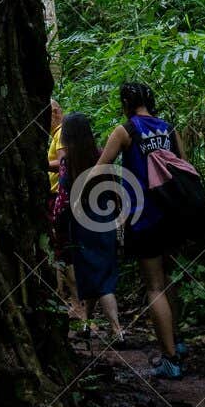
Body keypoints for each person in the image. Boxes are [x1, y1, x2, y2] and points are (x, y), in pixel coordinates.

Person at [97, 81, 187, 378]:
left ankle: (170, 359)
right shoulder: (168, 128)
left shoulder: (125, 131)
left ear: (126, 102)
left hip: (143, 216)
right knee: (169, 277)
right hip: (172, 215)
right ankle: (178, 340)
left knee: (154, 286)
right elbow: (183, 166)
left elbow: (100, 170)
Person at [59, 112, 125, 343]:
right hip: (104, 221)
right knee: (95, 274)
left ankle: (117, 330)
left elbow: (64, 193)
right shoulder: (101, 155)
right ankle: (87, 324)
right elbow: (116, 189)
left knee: (99, 280)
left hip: (81, 224)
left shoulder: (69, 162)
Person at [46, 99, 78, 310]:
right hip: (57, 197)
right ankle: (61, 294)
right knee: (58, 247)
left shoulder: (61, 133)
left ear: (55, 112)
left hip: (59, 197)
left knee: (63, 248)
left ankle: (76, 299)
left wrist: (41, 164)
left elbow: (63, 163)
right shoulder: (59, 133)